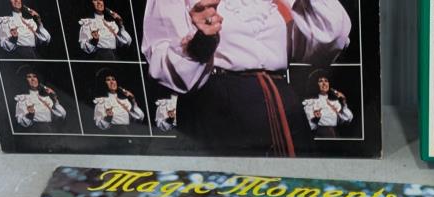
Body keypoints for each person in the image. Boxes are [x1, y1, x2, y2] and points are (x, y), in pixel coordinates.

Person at [142, 0, 351, 156]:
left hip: (282, 106)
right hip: (216, 107)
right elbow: (164, 67)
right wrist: (201, 43)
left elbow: (329, 41)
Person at [302, 70, 352, 138]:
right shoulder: (311, 102)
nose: (324, 83)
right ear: (315, 84)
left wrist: (343, 102)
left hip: (335, 136)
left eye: (326, 81)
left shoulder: (334, 102)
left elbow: (348, 119)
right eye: (320, 81)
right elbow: (309, 127)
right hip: (320, 137)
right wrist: (316, 119)